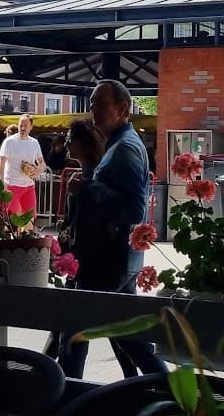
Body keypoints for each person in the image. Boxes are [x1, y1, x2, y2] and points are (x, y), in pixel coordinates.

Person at [55, 80, 165, 379]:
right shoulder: (119, 146)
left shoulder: (125, 149)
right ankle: (168, 391)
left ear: (123, 109)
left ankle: (64, 400)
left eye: (99, 104)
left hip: (107, 261)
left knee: (73, 335)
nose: (92, 111)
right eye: (91, 104)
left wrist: (86, 189)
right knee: (126, 337)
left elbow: (134, 209)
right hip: (116, 261)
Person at [0, 114, 46, 217]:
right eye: (21, 125)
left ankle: (27, 233)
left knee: (30, 219)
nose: (23, 128)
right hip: (12, 185)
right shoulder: (9, 142)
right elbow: (1, 163)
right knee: (10, 219)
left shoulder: (34, 143)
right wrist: (3, 183)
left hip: (29, 185)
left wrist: (39, 170)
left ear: (31, 127)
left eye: (25, 125)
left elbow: (42, 162)